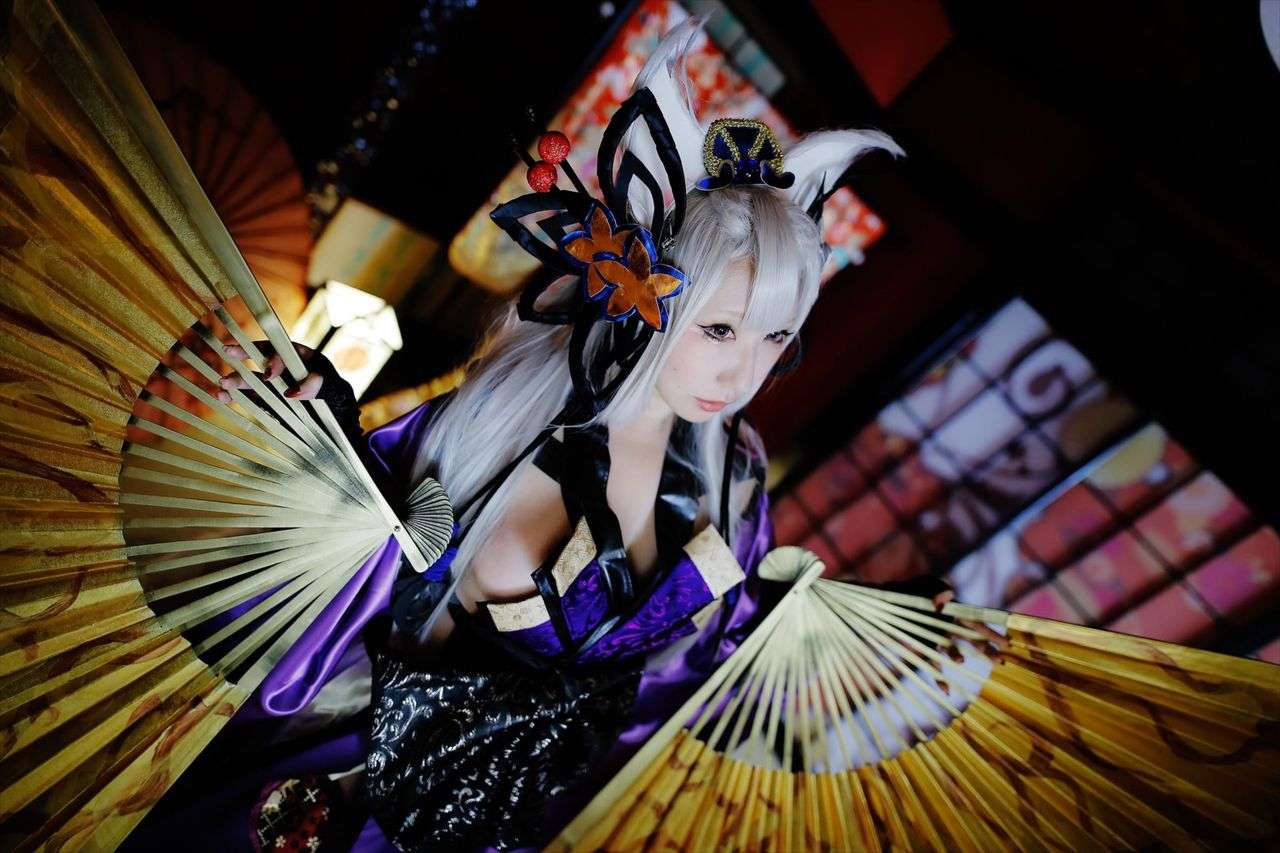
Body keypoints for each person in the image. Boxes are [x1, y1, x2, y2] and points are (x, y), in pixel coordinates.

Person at [130, 21, 903, 853]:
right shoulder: (499, 431)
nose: (743, 371)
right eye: (719, 329)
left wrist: (835, 635)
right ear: (644, 294)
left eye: (776, 336)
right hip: (337, 799)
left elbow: (707, 674)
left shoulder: (733, 480)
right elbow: (344, 575)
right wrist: (323, 438)